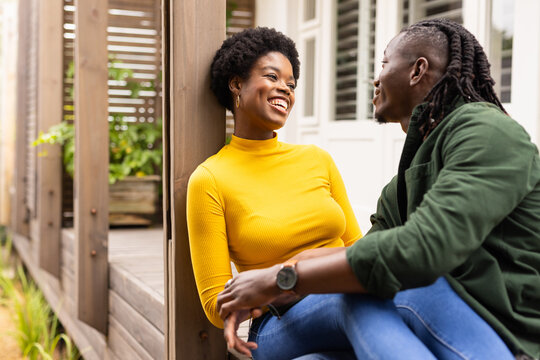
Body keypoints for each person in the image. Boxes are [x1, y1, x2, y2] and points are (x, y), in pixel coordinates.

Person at [217, 19, 540, 360]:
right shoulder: (403, 182)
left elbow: (420, 251)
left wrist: (283, 278)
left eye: (385, 63)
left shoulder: (486, 132)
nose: (375, 77)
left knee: (380, 289)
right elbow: (362, 257)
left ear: (417, 71)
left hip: (505, 330)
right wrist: (266, 287)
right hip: (430, 321)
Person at [186, 27, 364, 359]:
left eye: (291, 83)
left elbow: (360, 249)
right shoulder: (210, 178)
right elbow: (216, 303)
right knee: (363, 303)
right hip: (278, 324)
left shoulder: (317, 159)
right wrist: (296, 278)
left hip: (342, 300)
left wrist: (302, 264)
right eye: (272, 76)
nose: (285, 87)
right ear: (237, 83)